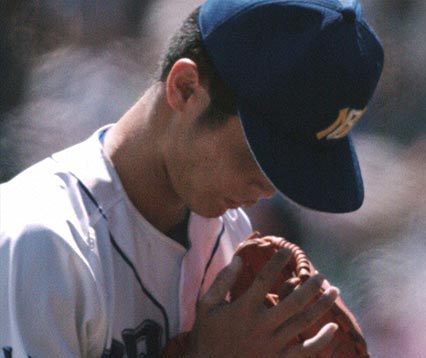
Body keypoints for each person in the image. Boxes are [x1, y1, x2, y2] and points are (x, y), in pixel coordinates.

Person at [0, 0, 384, 356]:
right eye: (258, 157)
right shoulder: (40, 242)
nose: (267, 190)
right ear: (185, 89)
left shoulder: (229, 236)